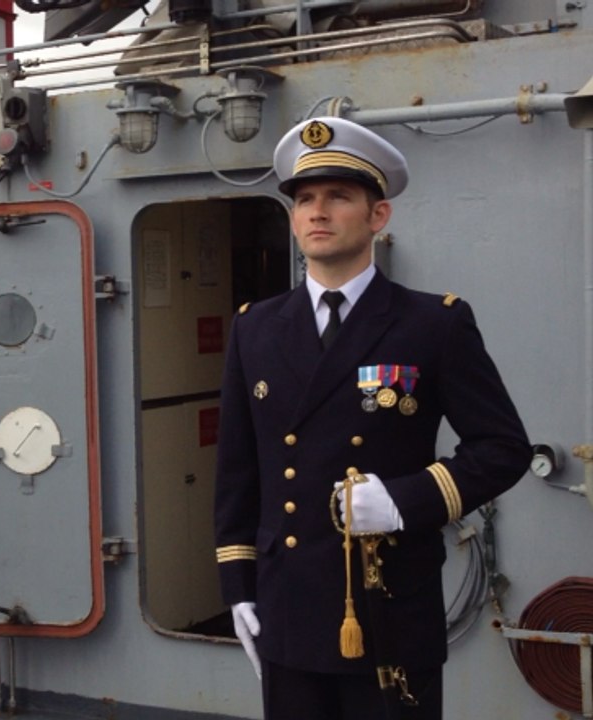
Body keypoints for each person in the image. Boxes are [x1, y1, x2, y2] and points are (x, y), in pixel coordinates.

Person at [212, 117, 530, 720]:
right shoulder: (255, 327)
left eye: (338, 197)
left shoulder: (433, 325)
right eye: (304, 199)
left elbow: (503, 447)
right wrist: (238, 591)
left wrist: (404, 500)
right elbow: (237, 469)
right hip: (287, 607)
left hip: (385, 606)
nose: (317, 212)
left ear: (378, 216)